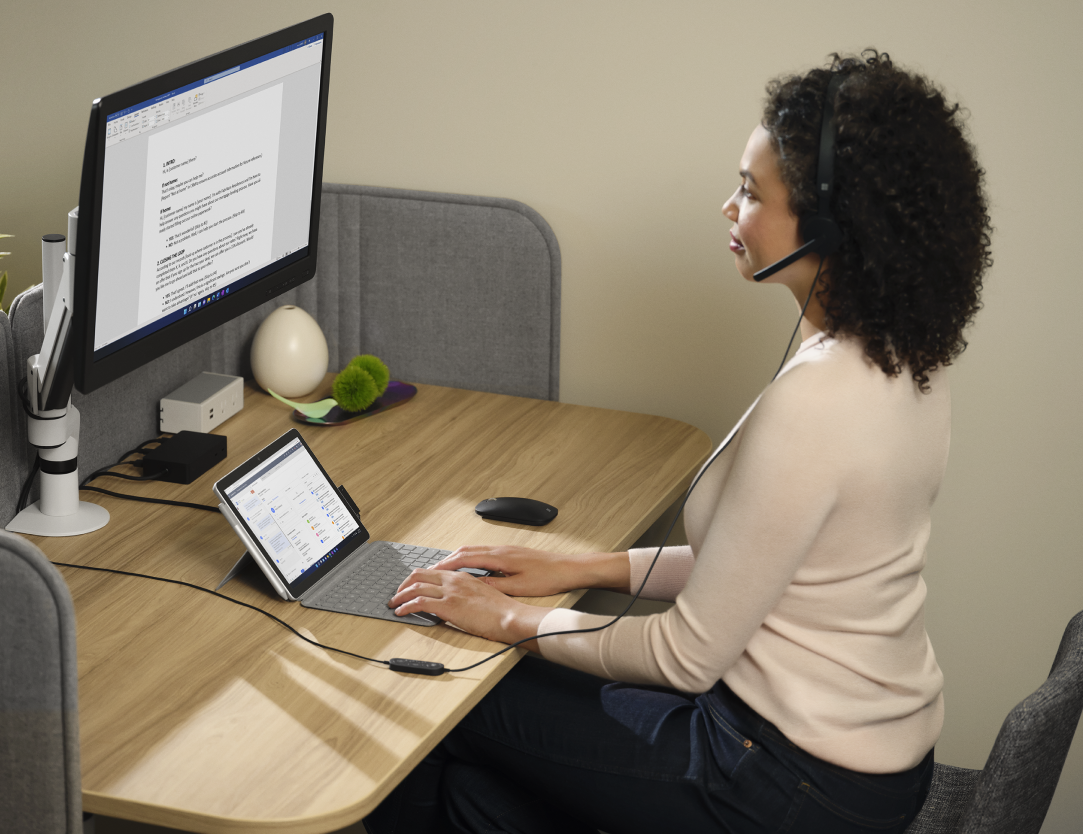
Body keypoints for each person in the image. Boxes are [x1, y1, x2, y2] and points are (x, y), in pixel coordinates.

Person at [366, 51, 992, 834]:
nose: (726, 208)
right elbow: (765, 565)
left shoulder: (821, 401)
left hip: (781, 782)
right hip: (865, 766)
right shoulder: (901, 358)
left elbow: (686, 656)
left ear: (832, 226)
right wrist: (574, 567)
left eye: (750, 193)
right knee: (475, 794)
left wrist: (508, 622)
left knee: (440, 693)